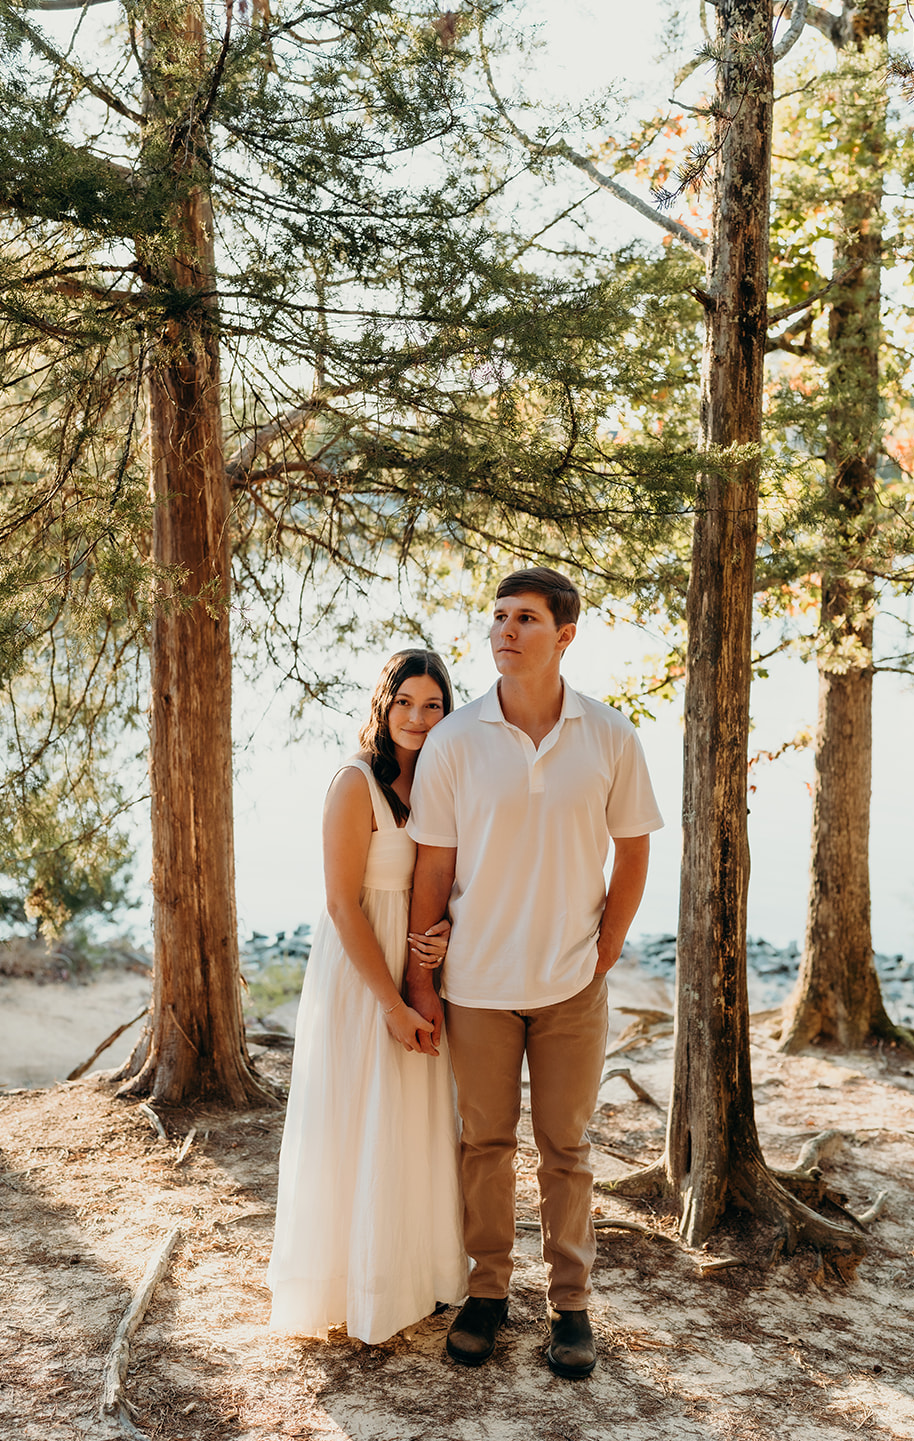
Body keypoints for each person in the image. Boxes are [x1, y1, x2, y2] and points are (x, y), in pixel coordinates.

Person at [406, 568, 662, 1378]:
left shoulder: (611, 736)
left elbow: (634, 846)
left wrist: (609, 945)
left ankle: (571, 1306)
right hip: (476, 984)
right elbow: (431, 868)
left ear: (565, 636)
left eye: (524, 619)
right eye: (497, 617)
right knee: (483, 1143)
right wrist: (420, 981)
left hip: (569, 987)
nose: (504, 631)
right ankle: (487, 1294)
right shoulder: (454, 739)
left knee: (567, 1147)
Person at [268, 649, 468, 1344]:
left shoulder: (443, 781)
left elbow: (453, 878)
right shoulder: (353, 783)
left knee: (413, 1115)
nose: (416, 717)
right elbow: (339, 903)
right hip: (361, 974)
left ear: (448, 710)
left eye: (432, 704)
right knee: (359, 1111)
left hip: (421, 967)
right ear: (383, 706)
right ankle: (351, 1283)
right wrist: (389, 1001)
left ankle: (418, 1274)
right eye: (404, 702)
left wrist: (444, 935)